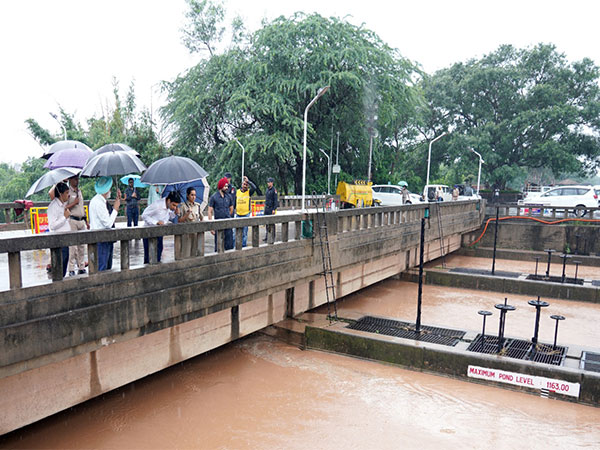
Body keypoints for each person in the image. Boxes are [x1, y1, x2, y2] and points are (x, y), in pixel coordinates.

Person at [89, 176, 121, 271]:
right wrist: (115, 209)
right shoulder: (99, 203)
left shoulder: (99, 201)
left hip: (101, 237)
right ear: (106, 190)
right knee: (102, 266)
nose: (110, 191)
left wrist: (117, 201)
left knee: (105, 265)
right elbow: (108, 223)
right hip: (101, 238)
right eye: (110, 189)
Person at [142, 191, 181, 263]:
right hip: (149, 233)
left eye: (176, 206)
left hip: (159, 233)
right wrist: (156, 222)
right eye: (174, 205)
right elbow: (144, 215)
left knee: (158, 254)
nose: (175, 207)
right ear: (169, 201)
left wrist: (174, 213)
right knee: (149, 257)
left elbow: (169, 216)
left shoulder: (168, 207)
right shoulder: (157, 205)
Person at [65, 175, 88, 276]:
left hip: (81, 220)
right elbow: (64, 207)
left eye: (77, 179)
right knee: (73, 247)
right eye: (74, 179)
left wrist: (86, 221)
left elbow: (82, 207)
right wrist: (74, 203)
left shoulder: (79, 191)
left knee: (82, 246)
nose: (76, 181)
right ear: (70, 180)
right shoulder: (67, 192)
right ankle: (71, 268)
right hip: (72, 220)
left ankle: (81, 266)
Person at [47, 182, 71, 278]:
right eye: (66, 193)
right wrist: (64, 217)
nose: (68, 195)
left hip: (65, 239)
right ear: (60, 194)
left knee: (64, 263)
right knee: (59, 266)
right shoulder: (53, 206)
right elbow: (52, 225)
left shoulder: (62, 205)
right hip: (58, 240)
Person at [208, 177, 234, 251]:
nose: (226, 188)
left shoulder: (229, 196)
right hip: (218, 224)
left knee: (229, 245)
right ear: (221, 186)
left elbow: (231, 208)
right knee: (219, 245)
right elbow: (210, 211)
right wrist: (211, 226)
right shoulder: (214, 197)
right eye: (225, 186)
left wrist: (227, 215)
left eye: (227, 186)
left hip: (228, 223)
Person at [236, 176, 257, 247]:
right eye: (244, 184)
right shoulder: (237, 192)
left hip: (246, 214)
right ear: (241, 184)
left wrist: (249, 181)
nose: (245, 186)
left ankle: (243, 246)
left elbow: (254, 187)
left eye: (246, 184)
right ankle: (235, 246)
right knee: (235, 232)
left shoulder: (249, 192)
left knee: (244, 233)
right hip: (238, 214)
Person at [263, 177, 278, 242]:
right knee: (266, 223)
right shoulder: (267, 190)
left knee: (272, 223)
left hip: (271, 208)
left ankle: (272, 236)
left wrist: (274, 209)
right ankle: (267, 236)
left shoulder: (274, 190)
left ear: (272, 183)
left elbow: (275, 200)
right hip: (267, 208)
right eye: (268, 182)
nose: (268, 183)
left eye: (269, 182)